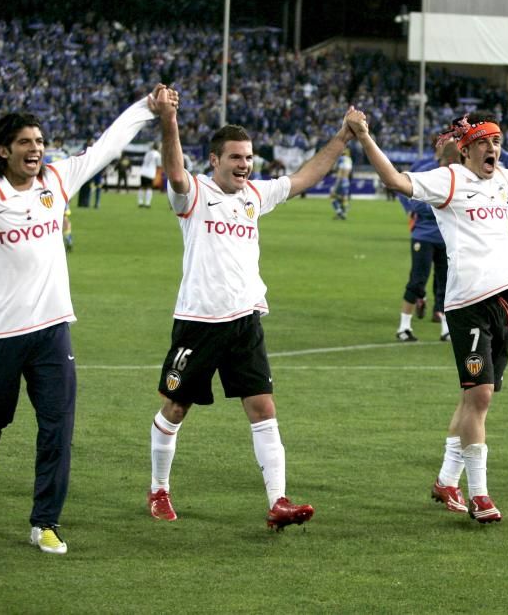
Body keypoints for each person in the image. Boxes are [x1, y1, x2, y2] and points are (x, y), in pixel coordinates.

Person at [0, 86, 165, 554]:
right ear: (2, 150)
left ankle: (46, 522)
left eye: (39, 141)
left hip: (53, 331)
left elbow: (106, 148)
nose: (36, 149)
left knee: (58, 426)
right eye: (25, 143)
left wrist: (145, 108)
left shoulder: (56, 182)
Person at [145, 89, 355, 530]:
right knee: (176, 409)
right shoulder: (193, 194)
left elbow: (304, 177)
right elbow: (176, 171)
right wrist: (169, 119)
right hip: (199, 323)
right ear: (215, 160)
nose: (245, 164)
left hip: (245, 322)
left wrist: (342, 137)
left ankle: (278, 501)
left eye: (249, 157)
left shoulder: (254, 196)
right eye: (236, 157)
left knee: (263, 409)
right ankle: (159, 489)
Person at [349, 107, 508, 523]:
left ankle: (447, 481)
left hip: (503, 302)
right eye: (484, 142)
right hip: (467, 304)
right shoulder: (450, 180)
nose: (493, 149)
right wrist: (363, 135)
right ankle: (480, 496)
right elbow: (394, 180)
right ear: (465, 150)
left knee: (475, 397)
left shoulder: (502, 180)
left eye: (497, 141)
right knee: (480, 394)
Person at [395, 141, 459, 342]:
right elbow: (405, 189)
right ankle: (403, 327)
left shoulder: (458, 176)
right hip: (424, 234)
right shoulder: (428, 172)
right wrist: (417, 210)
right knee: (417, 280)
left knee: (447, 283)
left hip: (446, 237)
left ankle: (446, 329)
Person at [330, 148, 353, 220]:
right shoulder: (349, 160)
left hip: (340, 180)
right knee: (344, 198)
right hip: (346, 181)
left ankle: (339, 212)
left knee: (333, 196)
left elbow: (338, 171)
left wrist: (336, 183)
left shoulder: (341, 159)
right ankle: (344, 212)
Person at [137, 142, 161, 208]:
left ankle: (140, 202)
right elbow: (159, 164)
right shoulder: (157, 154)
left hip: (143, 171)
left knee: (142, 187)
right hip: (150, 172)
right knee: (149, 187)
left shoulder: (148, 153)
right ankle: (147, 203)